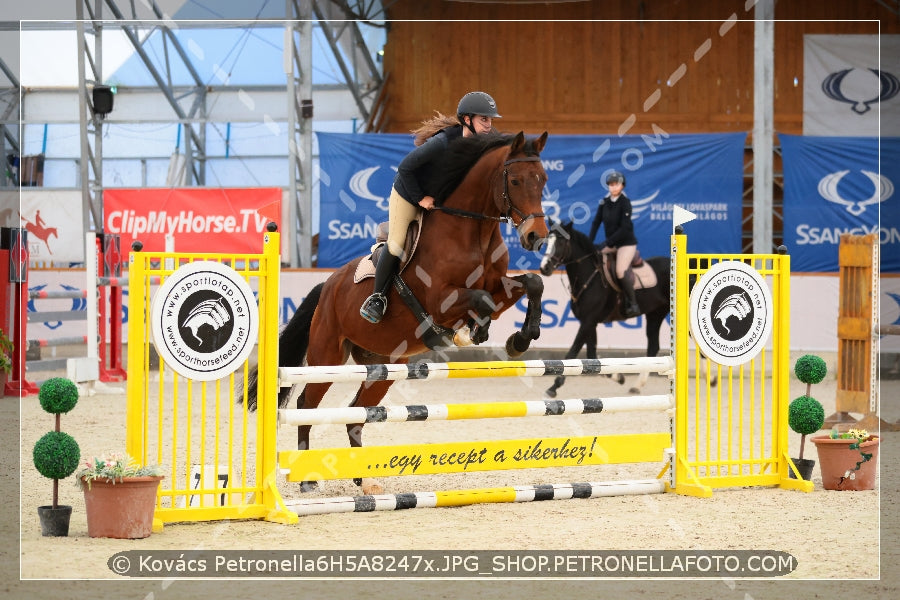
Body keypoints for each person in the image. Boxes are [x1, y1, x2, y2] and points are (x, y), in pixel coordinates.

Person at [359, 91, 502, 324]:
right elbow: (405, 169)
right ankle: (378, 298)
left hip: (439, 201)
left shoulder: (482, 145)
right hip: (408, 193)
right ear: (467, 120)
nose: (489, 125)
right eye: (484, 119)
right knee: (396, 243)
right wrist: (420, 198)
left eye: (490, 120)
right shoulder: (442, 143)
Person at [587, 170, 641, 319]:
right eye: (610, 184)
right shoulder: (604, 203)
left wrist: (606, 243)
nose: (613, 187)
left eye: (615, 184)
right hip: (612, 243)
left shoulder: (625, 203)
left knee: (620, 271)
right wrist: (589, 242)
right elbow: (596, 223)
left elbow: (624, 229)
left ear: (622, 185)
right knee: (595, 260)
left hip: (626, 244)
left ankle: (633, 303)